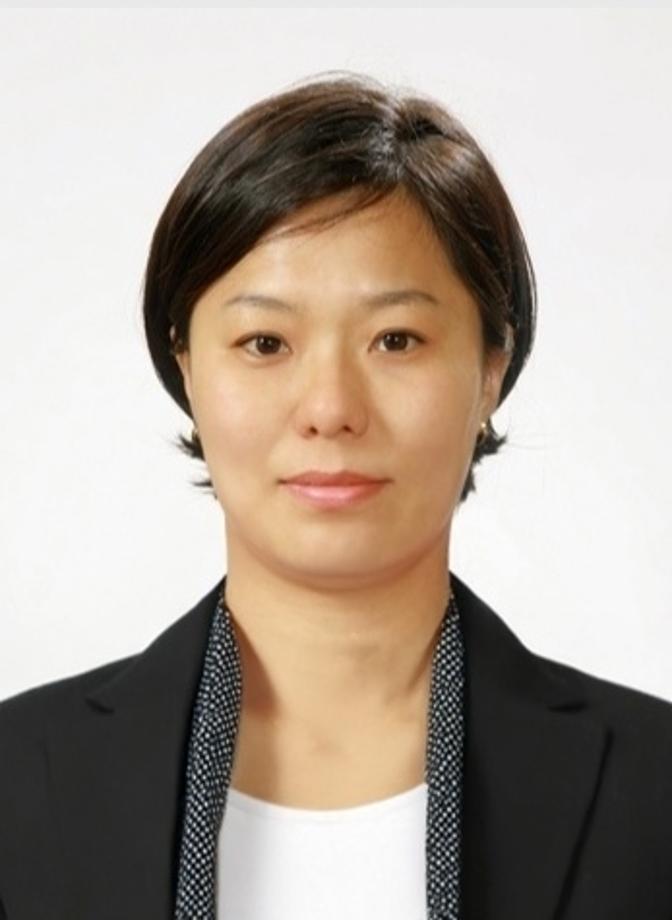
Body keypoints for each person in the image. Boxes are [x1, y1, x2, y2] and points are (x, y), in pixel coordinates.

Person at [1, 72, 671, 920]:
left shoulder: (652, 790)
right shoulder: (20, 780)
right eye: (265, 342)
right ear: (186, 368)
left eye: (396, 339)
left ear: (490, 370)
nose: (330, 409)